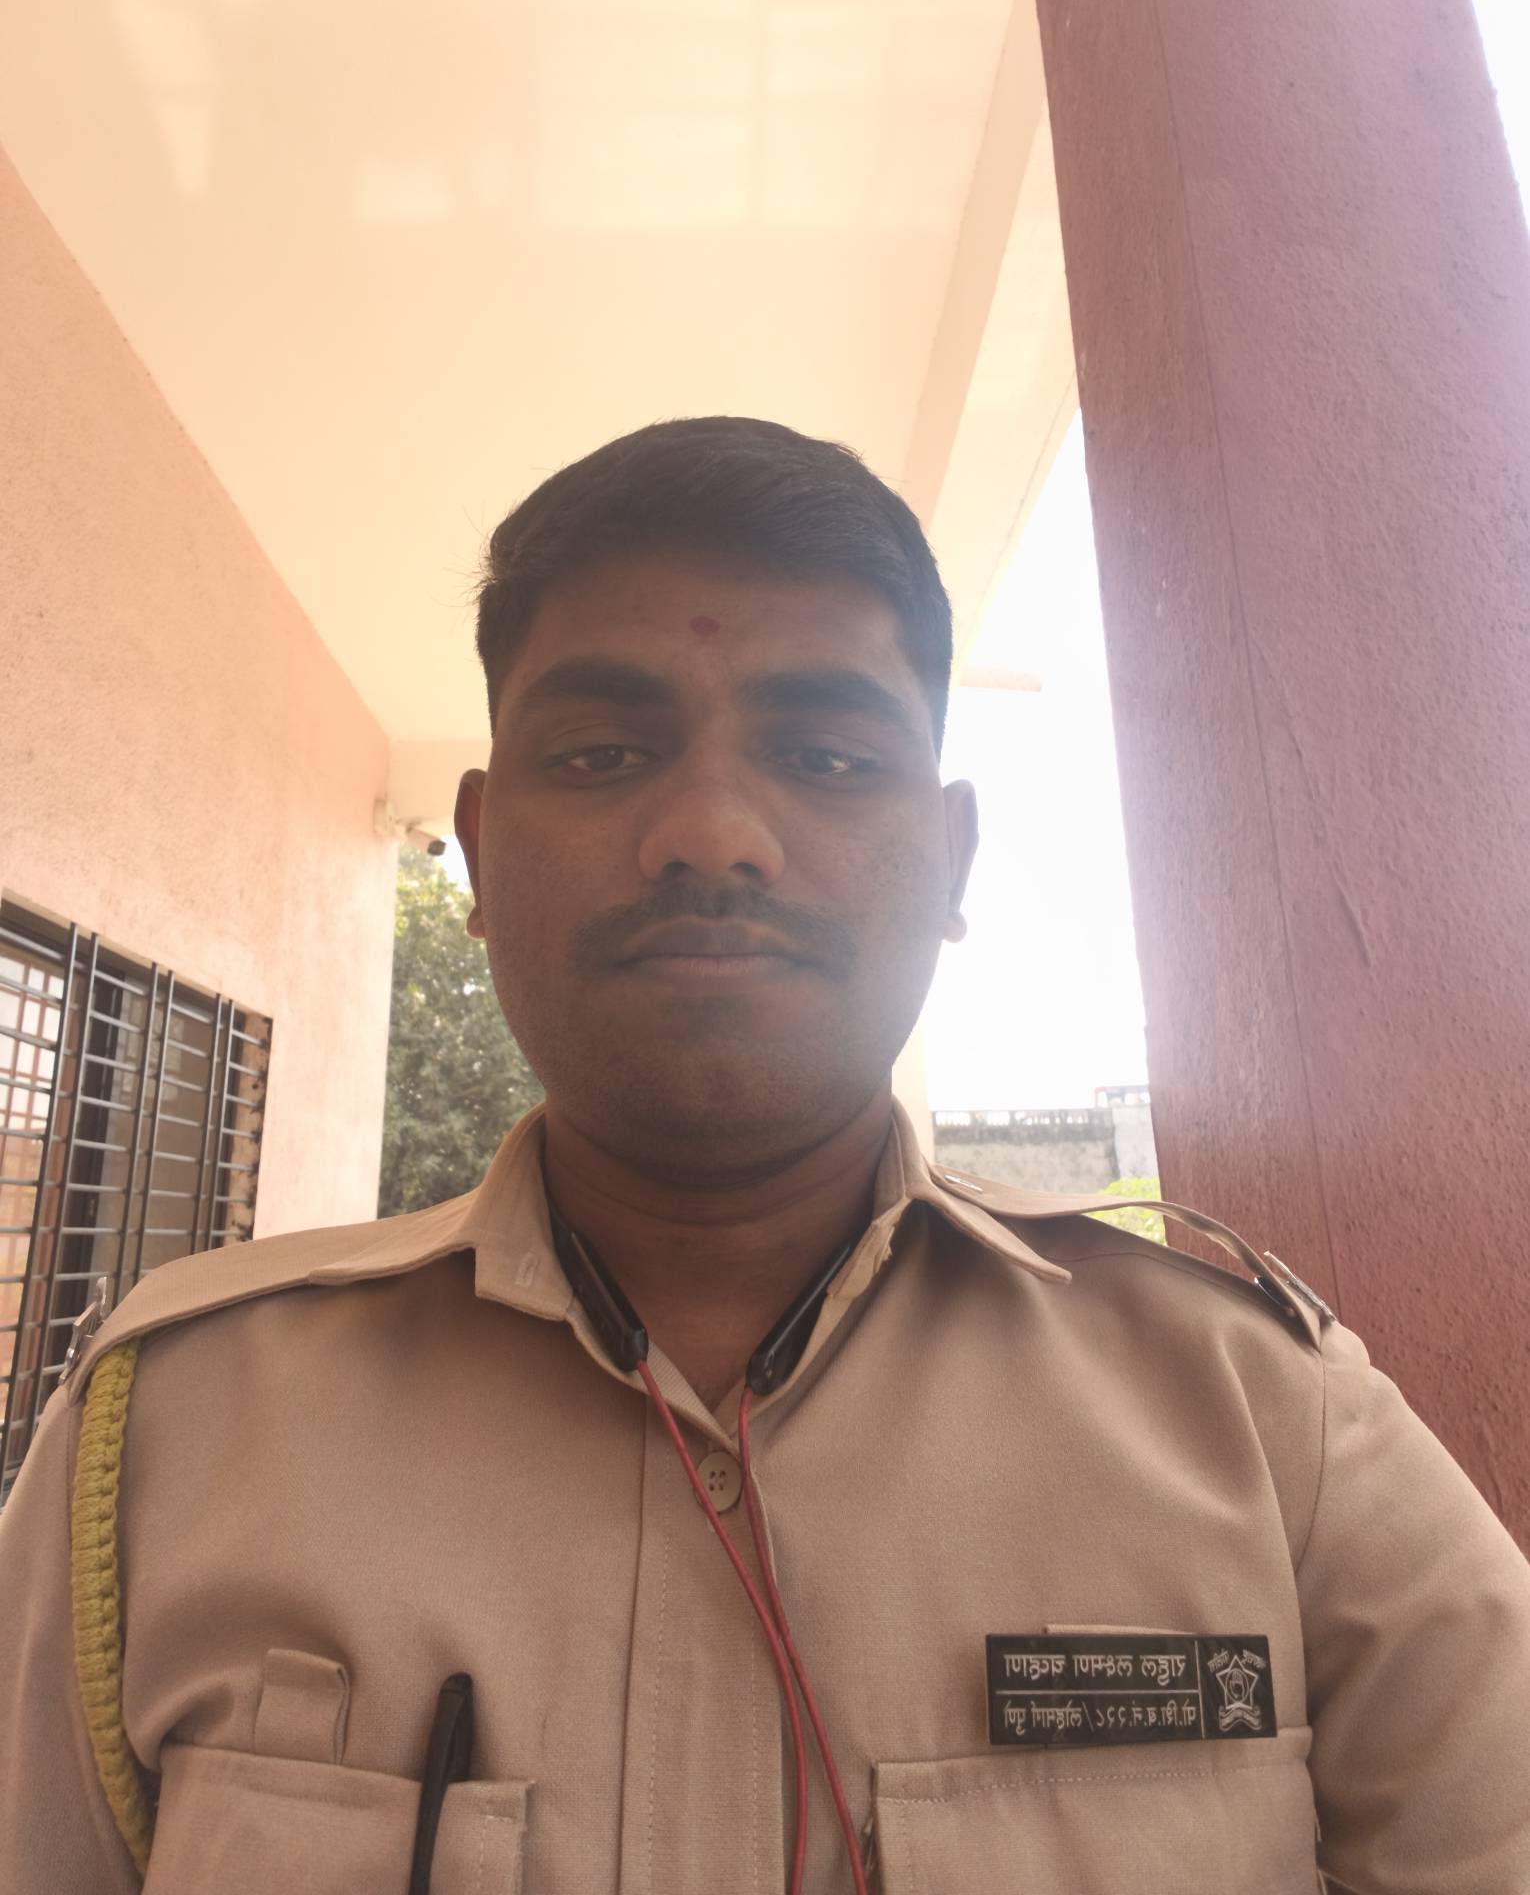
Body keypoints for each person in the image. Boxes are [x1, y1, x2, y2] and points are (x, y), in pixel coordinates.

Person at [3, 415, 1528, 1893]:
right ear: (475, 848)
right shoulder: (172, 1429)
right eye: (600, 753)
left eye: (830, 758)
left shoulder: (1271, 1427)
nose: (711, 834)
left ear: (952, 858)